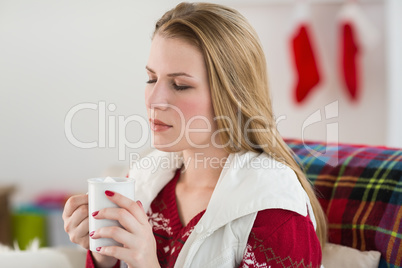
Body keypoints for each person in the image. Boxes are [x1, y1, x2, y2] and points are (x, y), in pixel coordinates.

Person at [62, 2, 327, 267]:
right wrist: (104, 258)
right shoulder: (144, 182)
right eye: (151, 79)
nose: (155, 100)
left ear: (232, 97)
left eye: (180, 85)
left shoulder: (275, 215)